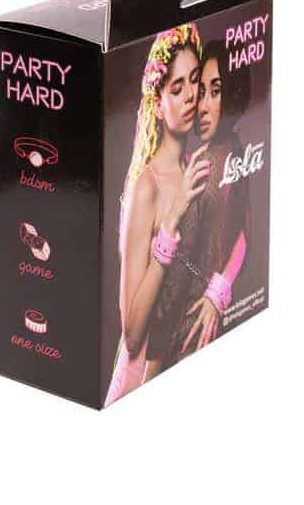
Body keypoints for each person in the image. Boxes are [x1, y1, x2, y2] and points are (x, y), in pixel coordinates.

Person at [104, 23, 209, 406]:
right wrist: (171, 219)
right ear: (158, 103)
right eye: (176, 89)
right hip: (136, 387)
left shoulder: (195, 168)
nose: (190, 96)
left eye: (194, 81)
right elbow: (132, 334)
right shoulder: (146, 187)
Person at [143, 39, 251, 379]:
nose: (201, 106)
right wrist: (220, 287)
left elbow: (177, 278)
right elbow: (244, 232)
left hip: (180, 340)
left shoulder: (210, 164)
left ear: (233, 92)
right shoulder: (233, 150)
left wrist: (153, 360)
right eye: (199, 91)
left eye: (215, 92)